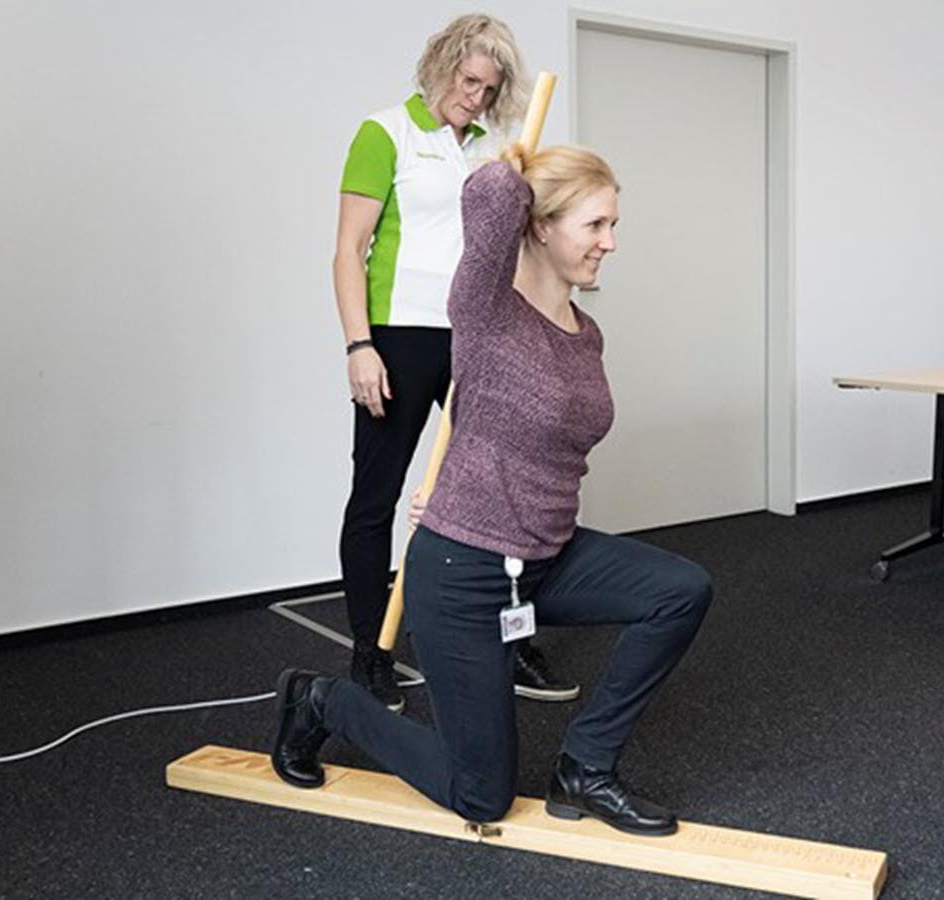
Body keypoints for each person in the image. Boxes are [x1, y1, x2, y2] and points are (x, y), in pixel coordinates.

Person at [273, 146, 713, 835]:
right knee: (481, 795)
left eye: (613, 224)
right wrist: (512, 164)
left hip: (544, 557)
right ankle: (323, 701)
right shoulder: (484, 309)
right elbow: (487, 197)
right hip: (463, 570)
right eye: (596, 224)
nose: (611, 242)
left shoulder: (585, 333)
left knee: (679, 590)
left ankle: (585, 767)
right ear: (541, 225)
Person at [333, 13, 576, 712]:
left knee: (503, 487)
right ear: (440, 66)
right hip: (401, 333)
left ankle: (510, 634)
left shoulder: (494, 151)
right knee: (377, 496)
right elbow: (348, 250)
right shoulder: (386, 133)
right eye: (467, 80)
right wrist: (359, 345)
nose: (474, 96)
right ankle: (370, 651)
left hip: (480, 333)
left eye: (488, 87)